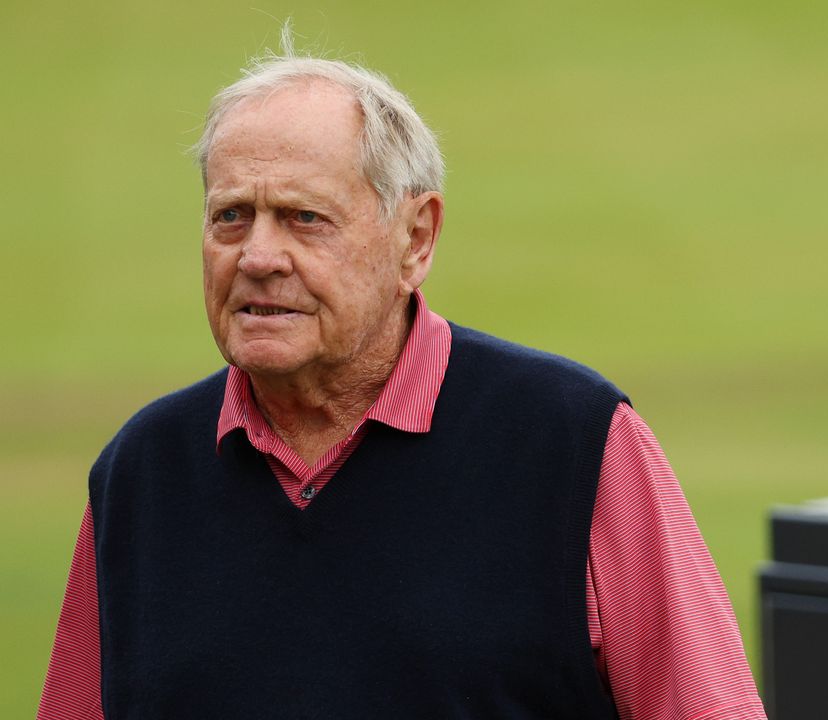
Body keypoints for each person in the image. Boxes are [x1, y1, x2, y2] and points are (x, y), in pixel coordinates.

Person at [37, 36, 766, 720]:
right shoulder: (141, 473)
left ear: (414, 239)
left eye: (303, 218)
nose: (258, 255)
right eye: (232, 216)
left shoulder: (572, 444)